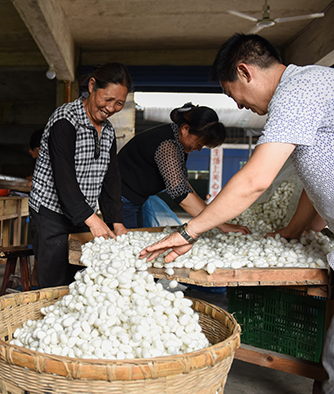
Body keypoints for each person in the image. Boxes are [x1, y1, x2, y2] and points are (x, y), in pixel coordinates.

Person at [138, 34, 334, 393]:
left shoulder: (299, 89)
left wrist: (187, 233)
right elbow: (315, 181)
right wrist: (293, 230)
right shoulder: (310, 86)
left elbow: (256, 180)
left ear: (244, 72)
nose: (240, 107)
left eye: (233, 96)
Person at [29, 62, 130, 289]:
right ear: (92, 86)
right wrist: (92, 220)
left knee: (81, 281)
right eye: (107, 99)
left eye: (119, 103)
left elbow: (110, 178)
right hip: (51, 214)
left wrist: (117, 222)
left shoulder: (108, 132)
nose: (111, 108)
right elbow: (63, 180)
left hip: (82, 215)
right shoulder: (65, 121)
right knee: (53, 284)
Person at [118, 102, 250, 235]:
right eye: (198, 144)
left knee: (136, 237)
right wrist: (219, 224)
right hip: (121, 200)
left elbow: (184, 186)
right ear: (185, 129)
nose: (198, 149)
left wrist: (214, 218)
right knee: (128, 242)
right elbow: (180, 193)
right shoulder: (168, 146)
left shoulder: (176, 141)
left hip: (134, 200)